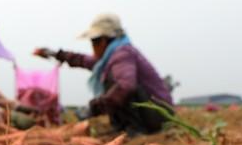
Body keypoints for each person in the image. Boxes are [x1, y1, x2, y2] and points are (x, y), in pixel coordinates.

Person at [34, 13, 173, 136]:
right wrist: (54, 54)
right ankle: (124, 128)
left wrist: (94, 107)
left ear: (103, 41)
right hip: (155, 113)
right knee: (113, 83)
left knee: (118, 85)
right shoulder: (110, 57)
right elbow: (83, 60)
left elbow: (126, 86)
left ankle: (135, 131)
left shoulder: (122, 54)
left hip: (158, 115)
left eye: (93, 42)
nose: (92, 47)